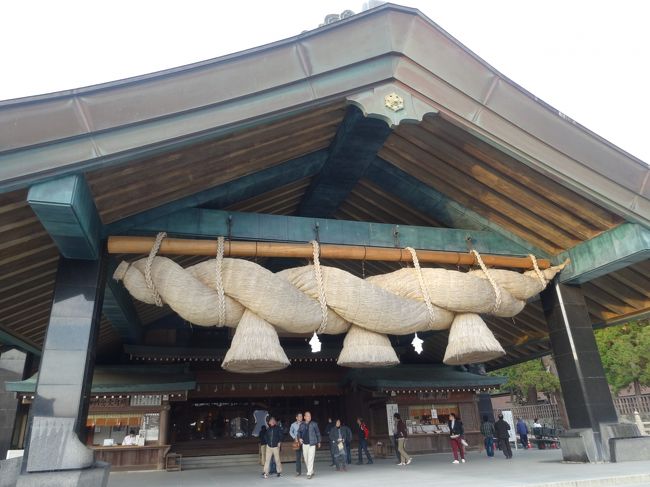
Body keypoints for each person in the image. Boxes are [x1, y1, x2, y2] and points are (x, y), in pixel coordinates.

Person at [298, 411, 321, 479]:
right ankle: (311, 471)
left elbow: (318, 433)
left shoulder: (314, 424)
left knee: (310, 458)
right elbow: (299, 432)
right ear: (304, 417)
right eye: (307, 416)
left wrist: (319, 442)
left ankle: (309, 473)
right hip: (304, 444)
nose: (309, 417)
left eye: (310, 416)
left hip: (312, 444)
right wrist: (299, 438)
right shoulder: (302, 424)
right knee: (306, 459)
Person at [290, 413, 304, 477]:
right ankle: (298, 472)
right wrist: (294, 437)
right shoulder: (293, 424)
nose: (301, 417)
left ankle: (310, 471)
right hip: (296, 441)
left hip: (304, 441)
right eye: (299, 416)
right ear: (296, 417)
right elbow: (290, 432)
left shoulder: (304, 423)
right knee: (298, 457)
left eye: (301, 416)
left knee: (306, 456)